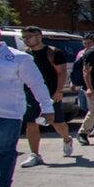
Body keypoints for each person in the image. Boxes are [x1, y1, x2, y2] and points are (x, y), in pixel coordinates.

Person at [0, 25, 54, 187]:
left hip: (8, 114)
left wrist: (47, 107)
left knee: (4, 151)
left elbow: (36, 83)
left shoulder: (18, 58)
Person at [18, 26, 74, 165]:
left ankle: (67, 139)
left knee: (56, 122)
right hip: (30, 94)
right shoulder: (24, 54)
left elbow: (61, 73)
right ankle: (35, 154)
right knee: (31, 123)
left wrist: (59, 91)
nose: (26, 40)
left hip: (51, 93)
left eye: (29, 37)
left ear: (39, 36)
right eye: (23, 37)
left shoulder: (54, 52)